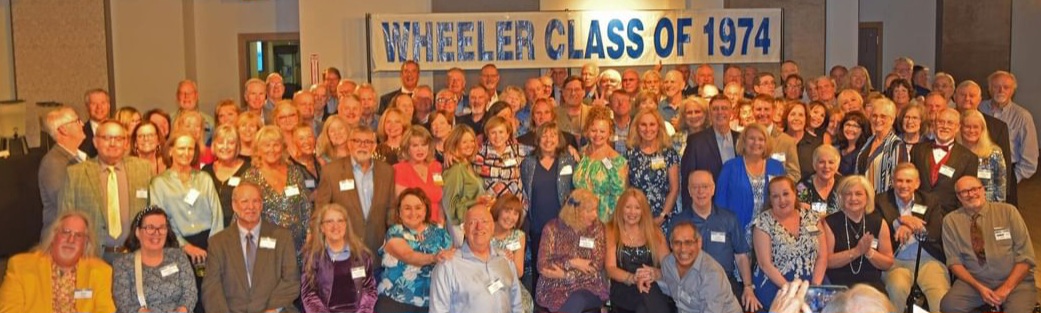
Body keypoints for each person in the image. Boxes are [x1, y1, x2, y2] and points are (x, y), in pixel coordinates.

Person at [940, 176, 1037, 313]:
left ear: (983, 190)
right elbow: (954, 263)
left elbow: (1026, 257)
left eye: (975, 189)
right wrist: (979, 287)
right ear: (958, 197)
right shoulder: (951, 221)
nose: (971, 194)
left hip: (1015, 282)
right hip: (975, 283)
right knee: (949, 306)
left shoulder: (1008, 212)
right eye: (965, 191)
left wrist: (1005, 289)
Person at [61, 120, 153, 261]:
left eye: (118, 139)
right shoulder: (75, 174)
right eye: (106, 138)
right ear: (95, 142)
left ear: (126, 143)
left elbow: (153, 213)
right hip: (92, 258)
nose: (112, 143)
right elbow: (65, 219)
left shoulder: (143, 169)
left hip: (135, 255)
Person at [202, 182, 300, 313]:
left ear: (262, 205)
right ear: (234, 206)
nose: (251, 207)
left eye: (256, 201)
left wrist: (273, 309)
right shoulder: (218, 243)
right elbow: (211, 288)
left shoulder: (283, 238)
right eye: (244, 201)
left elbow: (291, 280)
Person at [0, 211, 116, 312]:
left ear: (86, 244)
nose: (71, 240)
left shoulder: (101, 272)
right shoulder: (21, 266)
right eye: (66, 232)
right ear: (53, 236)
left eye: (78, 235)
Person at [875, 163, 948, 313]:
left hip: (929, 261)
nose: (904, 185)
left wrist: (911, 225)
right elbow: (876, 232)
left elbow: (935, 232)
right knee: (896, 289)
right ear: (893, 182)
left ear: (917, 183)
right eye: (899, 181)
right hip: (896, 262)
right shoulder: (880, 201)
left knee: (940, 298)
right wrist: (899, 221)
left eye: (909, 181)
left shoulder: (930, 201)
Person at [430, 198, 525, 313]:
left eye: (484, 221)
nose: (479, 227)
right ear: (464, 229)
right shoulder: (448, 267)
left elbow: (516, 304)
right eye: (472, 222)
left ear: (492, 227)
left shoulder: (506, 260)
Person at [315, 125, 396, 254]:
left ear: (374, 146)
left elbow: (391, 210)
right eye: (357, 141)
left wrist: (394, 241)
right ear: (349, 144)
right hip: (342, 252)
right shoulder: (331, 172)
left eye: (367, 142)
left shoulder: (387, 171)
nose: (362, 146)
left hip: (377, 251)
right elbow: (320, 211)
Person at [149, 131, 224, 269]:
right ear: (171, 151)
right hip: (177, 246)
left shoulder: (204, 178)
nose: (187, 152)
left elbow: (217, 214)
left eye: (190, 148)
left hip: (210, 244)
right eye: (181, 148)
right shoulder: (159, 183)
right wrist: (185, 246)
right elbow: (160, 221)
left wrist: (214, 246)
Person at [751, 176, 827, 309]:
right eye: (776, 196)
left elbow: (822, 256)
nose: (782, 200)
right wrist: (793, 292)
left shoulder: (811, 217)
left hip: (813, 281)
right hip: (777, 284)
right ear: (770, 200)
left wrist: (814, 286)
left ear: (795, 194)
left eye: (786, 194)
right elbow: (765, 264)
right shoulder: (763, 223)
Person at [376, 188, 454, 312]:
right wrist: (434, 258)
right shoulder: (395, 231)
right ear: (399, 212)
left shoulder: (440, 232)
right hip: (395, 302)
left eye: (418, 207)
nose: (413, 213)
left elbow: (452, 261)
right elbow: (408, 256)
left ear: (426, 210)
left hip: (431, 303)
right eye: (407, 208)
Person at [241, 126, 313, 259]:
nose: (272, 150)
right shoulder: (250, 177)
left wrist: (309, 233)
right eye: (266, 145)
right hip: (264, 248)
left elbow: (305, 206)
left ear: (283, 147)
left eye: (276, 145)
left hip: (297, 248)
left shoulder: (295, 172)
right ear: (258, 149)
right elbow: (243, 213)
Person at [520, 122, 576, 290]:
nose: (548, 139)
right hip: (538, 225)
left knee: (562, 266)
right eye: (544, 135)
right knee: (541, 269)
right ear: (537, 140)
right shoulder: (528, 162)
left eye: (552, 135)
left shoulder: (569, 159)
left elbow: (575, 190)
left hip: (562, 225)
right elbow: (523, 187)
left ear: (559, 139)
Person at [112, 207, 197, 313]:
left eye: (162, 227)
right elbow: (124, 302)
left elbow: (190, 293)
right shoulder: (123, 264)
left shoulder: (179, 256)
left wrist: (183, 309)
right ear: (138, 232)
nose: (157, 233)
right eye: (150, 227)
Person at [536, 189, 608, 313]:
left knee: (577, 299)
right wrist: (571, 262)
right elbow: (543, 266)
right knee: (560, 301)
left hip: (588, 286)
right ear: (574, 211)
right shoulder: (552, 228)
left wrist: (566, 275)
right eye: (589, 210)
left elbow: (596, 265)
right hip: (553, 287)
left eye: (596, 210)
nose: (595, 215)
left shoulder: (596, 228)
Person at [300, 203, 377, 313]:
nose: (335, 226)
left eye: (340, 221)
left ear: (346, 225)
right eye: (329, 221)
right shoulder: (313, 256)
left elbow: (369, 289)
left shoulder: (362, 255)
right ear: (322, 227)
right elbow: (309, 294)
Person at [605, 189, 672, 313]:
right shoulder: (611, 230)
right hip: (623, 285)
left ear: (643, 211)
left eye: (637, 208)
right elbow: (610, 268)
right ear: (620, 208)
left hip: (650, 283)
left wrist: (655, 273)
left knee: (645, 303)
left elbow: (669, 266)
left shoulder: (654, 231)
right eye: (628, 207)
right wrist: (633, 278)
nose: (632, 212)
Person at [823, 175, 894, 291]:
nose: (853, 198)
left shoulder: (879, 222)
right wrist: (856, 251)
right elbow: (827, 261)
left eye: (858, 194)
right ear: (841, 197)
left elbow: (888, 263)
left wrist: (869, 252)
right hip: (839, 284)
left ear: (867, 197)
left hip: (870, 285)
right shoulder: (830, 222)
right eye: (848, 194)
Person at [658, 220, 743, 313]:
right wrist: (652, 278)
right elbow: (673, 288)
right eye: (677, 243)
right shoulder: (668, 264)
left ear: (699, 243)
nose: (683, 249)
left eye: (688, 242)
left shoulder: (712, 274)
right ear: (671, 245)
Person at [954, 80, 1015, 205]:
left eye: (972, 95)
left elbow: (1002, 177)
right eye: (962, 95)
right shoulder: (951, 136)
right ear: (954, 97)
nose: (967, 99)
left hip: (989, 205)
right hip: (956, 205)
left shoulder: (998, 130)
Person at [715, 123, 786, 229]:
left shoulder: (776, 167)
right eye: (751, 138)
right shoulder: (730, 167)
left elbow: (784, 197)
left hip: (770, 231)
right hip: (737, 232)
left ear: (766, 143)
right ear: (743, 141)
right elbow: (720, 203)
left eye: (761, 139)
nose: (756, 143)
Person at [910, 108, 979, 213]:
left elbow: (967, 193)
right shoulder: (917, 150)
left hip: (949, 216)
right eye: (941, 122)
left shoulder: (969, 158)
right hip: (918, 212)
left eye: (950, 123)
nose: (945, 126)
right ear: (934, 125)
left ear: (957, 128)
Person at [624, 108, 680, 233]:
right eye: (643, 125)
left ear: (659, 127)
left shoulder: (669, 153)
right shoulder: (630, 154)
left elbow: (674, 189)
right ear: (637, 128)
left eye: (652, 124)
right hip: (636, 217)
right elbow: (626, 187)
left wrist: (663, 216)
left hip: (664, 217)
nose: (648, 129)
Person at [980, 71, 1038, 185]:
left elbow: (1030, 156)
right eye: (996, 87)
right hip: (979, 169)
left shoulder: (1023, 116)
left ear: (1012, 91)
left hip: (1008, 173)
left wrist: (1014, 178)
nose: (1001, 91)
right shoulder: (979, 108)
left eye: (1006, 87)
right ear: (989, 89)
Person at [680, 95, 739, 209]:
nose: (720, 112)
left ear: (732, 112)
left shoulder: (741, 139)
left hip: (737, 207)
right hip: (708, 209)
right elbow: (688, 180)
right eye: (715, 109)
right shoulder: (696, 142)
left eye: (724, 108)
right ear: (710, 113)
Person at [39, 107, 87, 237]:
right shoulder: (53, 162)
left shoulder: (81, 157)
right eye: (77, 121)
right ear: (63, 129)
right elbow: (63, 201)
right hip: (61, 239)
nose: (82, 124)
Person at [574, 106, 628, 222]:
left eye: (602, 131)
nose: (597, 135)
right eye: (593, 130)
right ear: (587, 131)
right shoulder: (581, 154)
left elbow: (619, 198)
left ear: (610, 133)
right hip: (580, 219)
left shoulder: (617, 161)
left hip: (604, 221)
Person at [855, 97, 907, 193]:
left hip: (883, 203)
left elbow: (898, 179)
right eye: (874, 116)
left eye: (883, 116)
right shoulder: (868, 141)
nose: (878, 119)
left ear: (892, 119)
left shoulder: (896, 145)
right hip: (863, 200)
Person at [394, 125, 444, 224]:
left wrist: (441, 222)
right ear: (407, 148)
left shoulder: (436, 167)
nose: (420, 149)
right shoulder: (399, 169)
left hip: (436, 225)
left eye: (423, 145)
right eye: (415, 145)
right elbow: (404, 205)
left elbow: (440, 199)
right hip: (412, 226)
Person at [475, 116, 526, 203]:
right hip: (492, 205)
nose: (497, 136)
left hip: (516, 203)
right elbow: (479, 171)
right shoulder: (480, 152)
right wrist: (513, 173)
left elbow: (539, 151)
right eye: (493, 133)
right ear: (487, 134)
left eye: (501, 132)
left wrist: (492, 171)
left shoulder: (518, 150)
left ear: (507, 134)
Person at [959, 110, 1007, 202]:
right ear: (960, 128)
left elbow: (1000, 187)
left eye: (976, 127)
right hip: (959, 208)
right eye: (967, 126)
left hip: (988, 208)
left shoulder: (994, 153)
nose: (971, 130)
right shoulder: (954, 151)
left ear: (982, 129)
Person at [751, 95, 800, 181]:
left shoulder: (787, 141)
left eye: (766, 109)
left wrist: (776, 185)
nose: (762, 113)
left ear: (773, 111)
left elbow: (794, 174)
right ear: (752, 111)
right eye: (758, 109)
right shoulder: (743, 139)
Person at [796, 145, 842, 217]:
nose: (826, 166)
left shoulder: (844, 185)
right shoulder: (802, 186)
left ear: (837, 166)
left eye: (831, 162)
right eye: (821, 162)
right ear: (814, 165)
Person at [784, 102, 824, 179]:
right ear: (786, 117)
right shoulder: (777, 141)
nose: (796, 118)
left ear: (806, 119)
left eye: (801, 115)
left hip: (807, 188)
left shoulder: (817, 143)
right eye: (793, 114)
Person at [835, 111, 869, 176]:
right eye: (848, 125)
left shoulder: (863, 153)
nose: (850, 129)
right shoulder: (837, 148)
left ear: (862, 130)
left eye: (855, 126)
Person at [289, 124, 320, 194]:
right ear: (294, 142)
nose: (307, 141)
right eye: (301, 138)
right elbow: (291, 195)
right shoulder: (289, 166)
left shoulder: (321, 161)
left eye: (310, 137)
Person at [79, 89, 111, 158]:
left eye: (103, 103)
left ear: (109, 106)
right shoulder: (79, 132)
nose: (99, 107)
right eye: (94, 104)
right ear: (87, 107)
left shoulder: (120, 129)